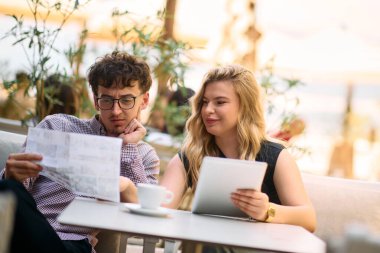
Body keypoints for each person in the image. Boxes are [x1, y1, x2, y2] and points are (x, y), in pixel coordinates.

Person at [0, 51, 160, 253]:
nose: (116, 111)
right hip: (27, 229)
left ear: (144, 100)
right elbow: (13, 193)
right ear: (95, 100)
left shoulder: (145, 156)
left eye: (127, 100)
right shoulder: (57, 126)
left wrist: (127, 146)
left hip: (74, 244)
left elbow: (143, 222)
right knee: (7, 188)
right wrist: (12, 175)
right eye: (107, 100)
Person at [160, 65, 316, 243]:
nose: (207, 110)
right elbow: (160, 208)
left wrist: (267, 211)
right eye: (204, 102)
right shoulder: (191, 155)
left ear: (244, 106)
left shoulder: (275, 156)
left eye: (220, 102)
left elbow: (309, 219)